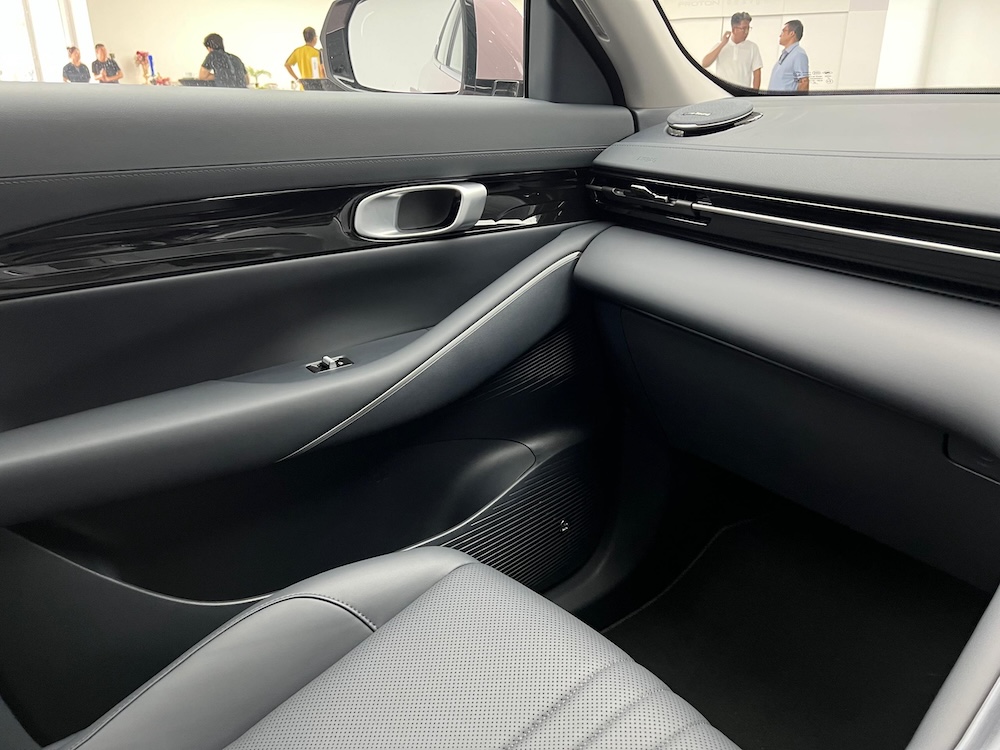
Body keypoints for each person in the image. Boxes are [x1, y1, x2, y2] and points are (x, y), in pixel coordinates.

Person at [701, 12, 762, 90]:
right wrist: (723, 44)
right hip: (722, 91)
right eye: (744, 29)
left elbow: (757, 73)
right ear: (734, 29)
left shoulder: (752, 47)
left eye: (748, 28)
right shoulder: (721, 45)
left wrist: (754, 94)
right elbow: (705, 64)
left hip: (742, 93)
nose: (746, 32)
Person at [768, 20, 809, 92]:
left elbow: (804, 82)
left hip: (785, 99)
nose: (780, 35)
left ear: (792, 33)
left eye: (784, 31)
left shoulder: (798, 54)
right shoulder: (787, 54)